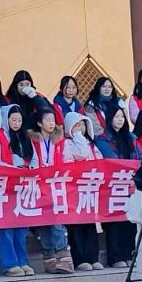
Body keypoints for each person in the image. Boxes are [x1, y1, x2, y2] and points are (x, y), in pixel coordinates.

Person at [0, 104, 34, 277]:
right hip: (6, 185)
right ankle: (10, 263)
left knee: (22, 226)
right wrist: (14, 170)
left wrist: (30, 170)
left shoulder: (25, 137)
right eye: (13, 120)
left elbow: (34, 159)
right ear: (6, 119)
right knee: (7, 226)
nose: (16, 123)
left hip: (24, 185)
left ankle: (23, 260)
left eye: (19, 120)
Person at [32, 110, 74, 274]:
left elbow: (68, 160)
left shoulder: (61, 141)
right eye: (47, 120)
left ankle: (64, 258)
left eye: (53, 120)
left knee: (57, 220)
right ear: (39, 123)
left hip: (56, 185)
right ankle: (49, 259)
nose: (51, 123)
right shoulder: (33, 141)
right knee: (43, 222)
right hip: (38, 185)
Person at [94, 106, 136, 268]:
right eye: (116, 117)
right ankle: (115, 256)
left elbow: (138, 156)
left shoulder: (130, 137)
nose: (120, 120)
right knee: (114, 222)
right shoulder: (102, 139)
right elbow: (111, 158)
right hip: (112, 185)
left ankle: (129, 253)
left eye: (122, 117)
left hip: (130, 184)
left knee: (129, 219)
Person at [62, 113, 104, 271]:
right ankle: (79, 258)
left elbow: (99, 160)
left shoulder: (91, 144)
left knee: (90, 225)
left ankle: (93, 257)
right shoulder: (67, 143)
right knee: (76, 225)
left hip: (89, 189)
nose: (80, 128)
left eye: (83, 125)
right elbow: (81, 155)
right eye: (77, 125)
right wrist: (78, 136)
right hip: (73, 190)